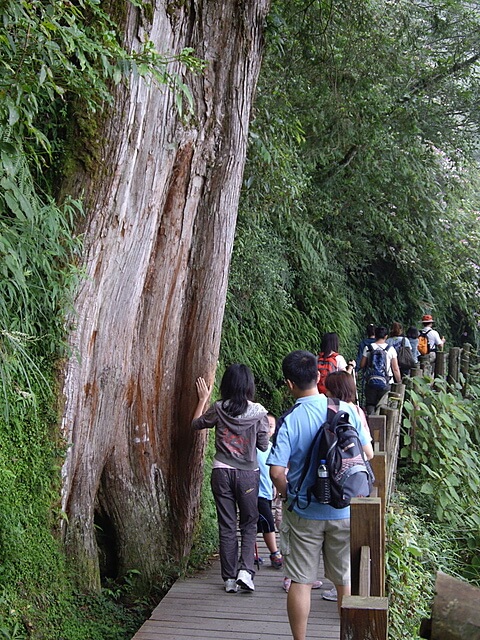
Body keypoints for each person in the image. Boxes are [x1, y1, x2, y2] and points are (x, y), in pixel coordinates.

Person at [267, 350, 373, 640]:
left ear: (289, 384)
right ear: (318, 376)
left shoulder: (291, 419)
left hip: (305, 513)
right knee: (343, 581)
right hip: (345, 509)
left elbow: (276, 472)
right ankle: (346, 636)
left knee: (301, 581)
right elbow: (367, 454)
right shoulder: (347, 410)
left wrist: (292, 497)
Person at [192, 364, 270, 594]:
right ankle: (245, 572)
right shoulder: (259, 413)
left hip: (221, 472)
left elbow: (196, 424)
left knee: (227, 525)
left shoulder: (218, 408)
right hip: (247, 475)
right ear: (249, 386)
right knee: (248, 523)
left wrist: (202, 399)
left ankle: (228, 578)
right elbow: (264, 445)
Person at [256, 413, 283, 569]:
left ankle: (251, 554)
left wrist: (276, 487)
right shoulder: (252, 447)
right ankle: (274, 553)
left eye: (270, 426)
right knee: (267, 523)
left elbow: (275, 470)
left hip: (267, 492)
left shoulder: (273, 448)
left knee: (254, 523)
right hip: (255, 492)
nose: (267, 429)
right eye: (264, 425)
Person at [360, 326, 401, 415]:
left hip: (371, 382)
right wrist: (399, 382)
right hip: (386, 382)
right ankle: (381, 426)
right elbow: (395, 368)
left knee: (370, 404)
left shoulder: (368, 348)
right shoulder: (391, 349)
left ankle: (371, 424)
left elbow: (362, 365)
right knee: (383, 406)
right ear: (386, 336)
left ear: (375, 335)